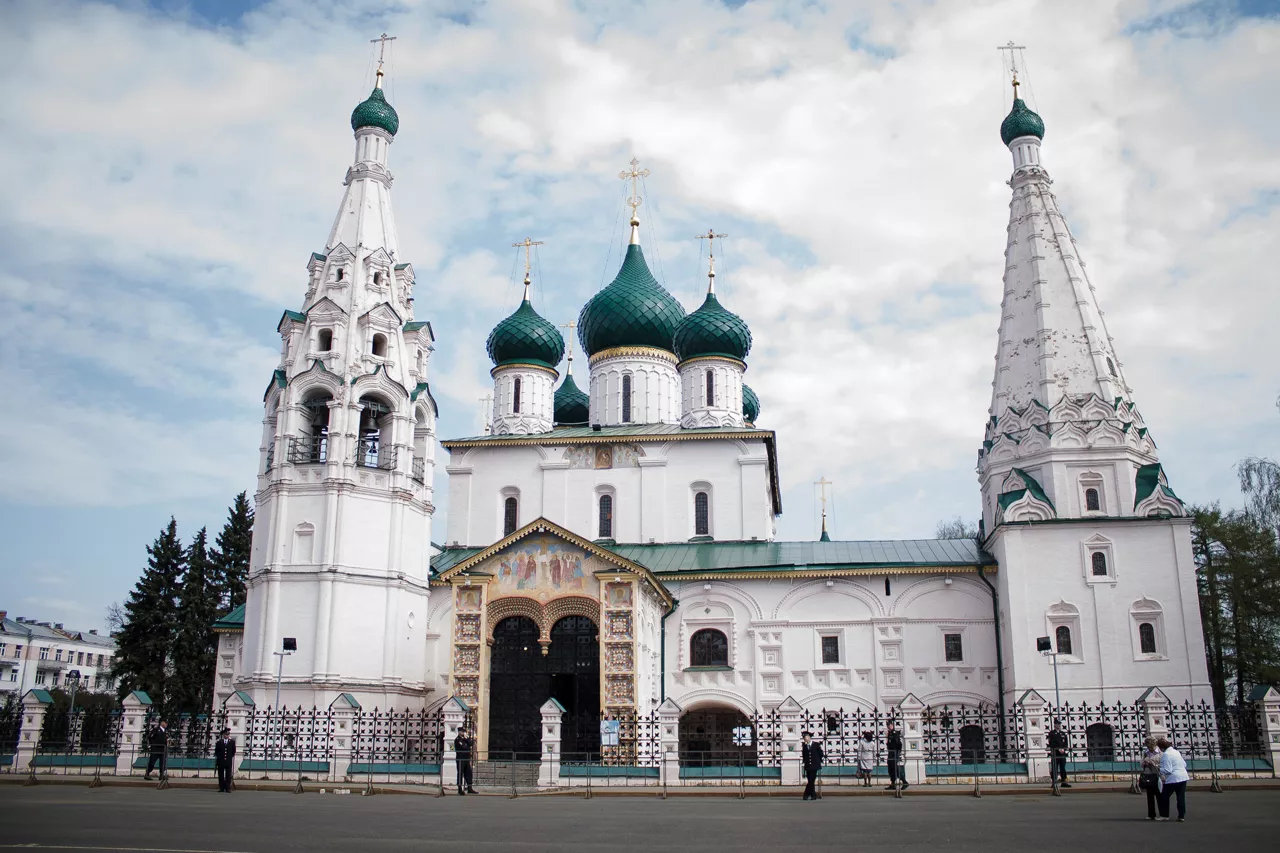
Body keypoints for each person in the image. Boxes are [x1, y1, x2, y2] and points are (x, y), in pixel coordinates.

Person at [1156, 737, 1189, 822]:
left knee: (1164, 797)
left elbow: (1168, 770)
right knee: (1181, 797)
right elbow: (1184, 764)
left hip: (1173, 779)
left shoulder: (1166, 755)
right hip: (1183, 777)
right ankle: (1181, 816)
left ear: (1162, 747)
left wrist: (1159, 768)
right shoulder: (1176, 752)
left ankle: (1164, 815)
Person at [1139, 737, 1161, 820]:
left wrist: (1154, 764)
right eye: (1148, 745)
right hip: (1149, 775)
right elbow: (1141, 764)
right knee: (1150, 796)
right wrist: (1145, 763)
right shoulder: (1146, 752)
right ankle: (1151, 814)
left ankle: (1162, 813)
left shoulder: (1160, 752)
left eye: (1151, 746)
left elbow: (1163, 763)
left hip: (1157, 775)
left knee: (1159, 795)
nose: (1150, 748)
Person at [800, 730, 823, 801]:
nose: (805, 738)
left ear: (809, 737)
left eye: (806, 736)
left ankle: (806, 795)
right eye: (804, 737)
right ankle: (812, 795)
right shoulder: (804, 746)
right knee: (810, 781)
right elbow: (804, 756)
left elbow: (820, 753)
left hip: (814, 765)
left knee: (811, 781)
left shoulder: (816, 744)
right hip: (808, 766)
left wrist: (818, 761)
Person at [1047, 719, 1070, 788]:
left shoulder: (1062, 733)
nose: (1059, 725)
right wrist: (1058, 748)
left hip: (1062, 754)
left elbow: (1065, 743)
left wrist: (1064, 748)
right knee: (1055, 768)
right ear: (1055, 725)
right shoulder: (1052, 733)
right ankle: (1054, 782)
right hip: (1055, 753)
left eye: (1059, 724)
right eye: (1057, 724)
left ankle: (1064, 781)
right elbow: (1051, 743)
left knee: (1063, 767)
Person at [885, 722, 908, 790]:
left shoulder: (895, 733)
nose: (888, 726)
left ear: (892, 725)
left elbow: (898, 744)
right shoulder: (890, 733)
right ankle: (893, 784)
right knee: (891, 768)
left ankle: (904, 782)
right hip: (891, 752)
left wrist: (897, 752)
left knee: (895, 768)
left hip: (894, 753)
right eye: (887, 725)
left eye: (889, 725)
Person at [214, 727, 236, 793]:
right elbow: (217, 751)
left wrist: (229, 757)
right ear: (223, 735)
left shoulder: (232, 742)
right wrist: (219, 758)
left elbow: (233, 751)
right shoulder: (219, 742)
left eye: (228, 734)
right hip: (221, 761)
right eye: (226, 734)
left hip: (228, 761)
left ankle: (227, 788)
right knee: (221, 775)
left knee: (228, 775)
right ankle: (221, 788)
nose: (227, 735)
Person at [454, 730, 476, 795]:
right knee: (460, 773)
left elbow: (471, 743)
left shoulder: (465, 739)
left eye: (463, 732)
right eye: (461, 732)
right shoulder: (457, 740)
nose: (463, 733)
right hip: (460, 759)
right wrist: (467, 744)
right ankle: (459, 788)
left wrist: (467, 739)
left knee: (469, 772)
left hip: (466, 759)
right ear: (459, 732)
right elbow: (464, 747)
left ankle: (470, 788)